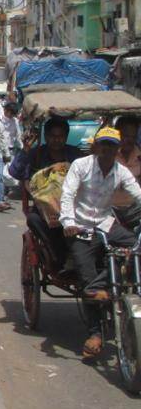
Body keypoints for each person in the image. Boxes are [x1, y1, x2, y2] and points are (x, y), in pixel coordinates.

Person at [60, 126, 141, 357]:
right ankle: (95, 333)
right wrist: (68, 223)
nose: (107, 150)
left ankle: (117, 281)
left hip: (106, 224)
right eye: (103, 145)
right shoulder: (81, 166)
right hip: (82, 227)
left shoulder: (120, 171)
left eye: (111, 146)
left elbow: (137, 194)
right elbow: (67, 194)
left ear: (117, 149)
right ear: (96, 146)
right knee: (88, 282)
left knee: (135, 245)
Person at [112, 116, 141, 229]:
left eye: (132, 137)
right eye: (125, 136)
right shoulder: (107, 155)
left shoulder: (139, 156)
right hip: (110, 210)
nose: (128, 140)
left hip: (134, 209)